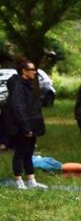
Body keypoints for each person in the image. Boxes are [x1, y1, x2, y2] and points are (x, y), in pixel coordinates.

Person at [4, 60, 47, 189]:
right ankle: (19, 181)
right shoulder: (18, 86)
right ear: (24, 71)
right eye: (32, 70)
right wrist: (26, 128)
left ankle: (31, 180)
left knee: (29, 152)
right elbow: (19, 108)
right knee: (20, 153)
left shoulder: (27, 85)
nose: (34, 72)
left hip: (31, 125)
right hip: (20, 127)